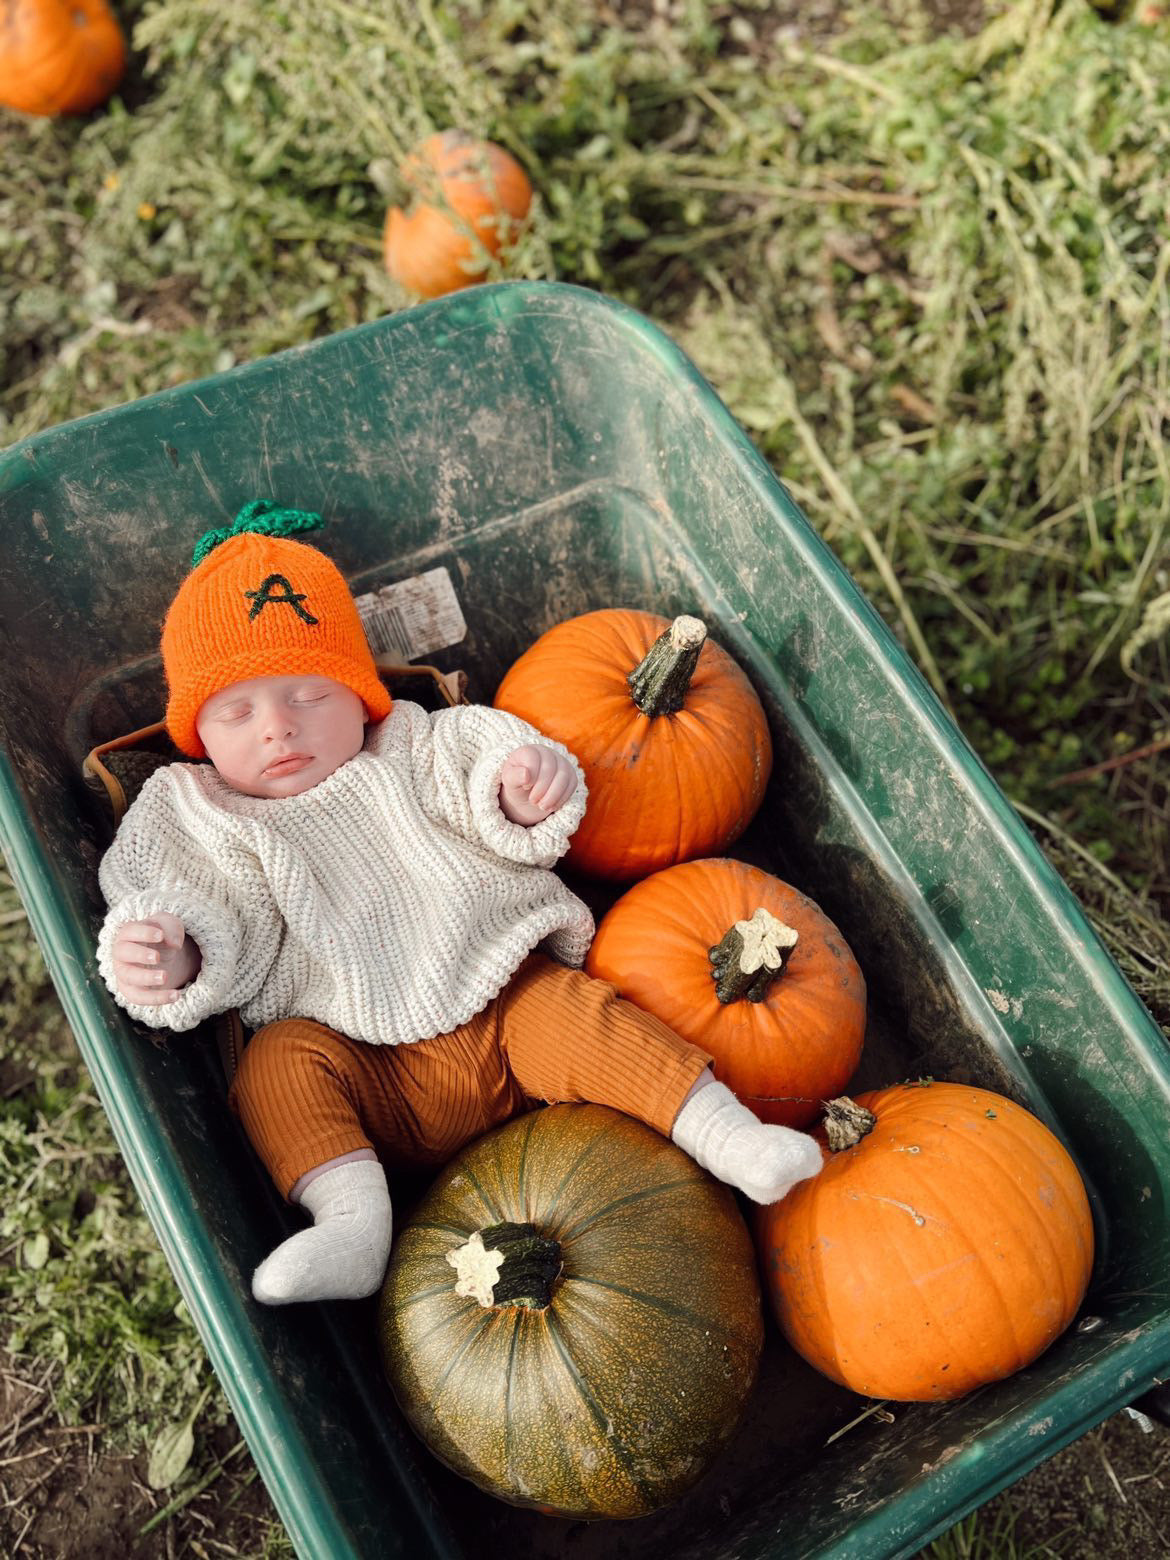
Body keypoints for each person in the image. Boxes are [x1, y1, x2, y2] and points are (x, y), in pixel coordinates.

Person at [97, 501, 822, 1306]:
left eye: (308, 694)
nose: (277, 730)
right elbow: (187, 906)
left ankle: (729, 1137)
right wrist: (171, 952)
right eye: (237, 711)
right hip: (360, 1071)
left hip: (502, 1016)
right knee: (275, 1069)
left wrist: (520, 791)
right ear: (194, 729)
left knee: (581, 1013)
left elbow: (487, 774)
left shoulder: (410, 744)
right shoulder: (196, 812)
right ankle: (351, 1224)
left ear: (360, 693)